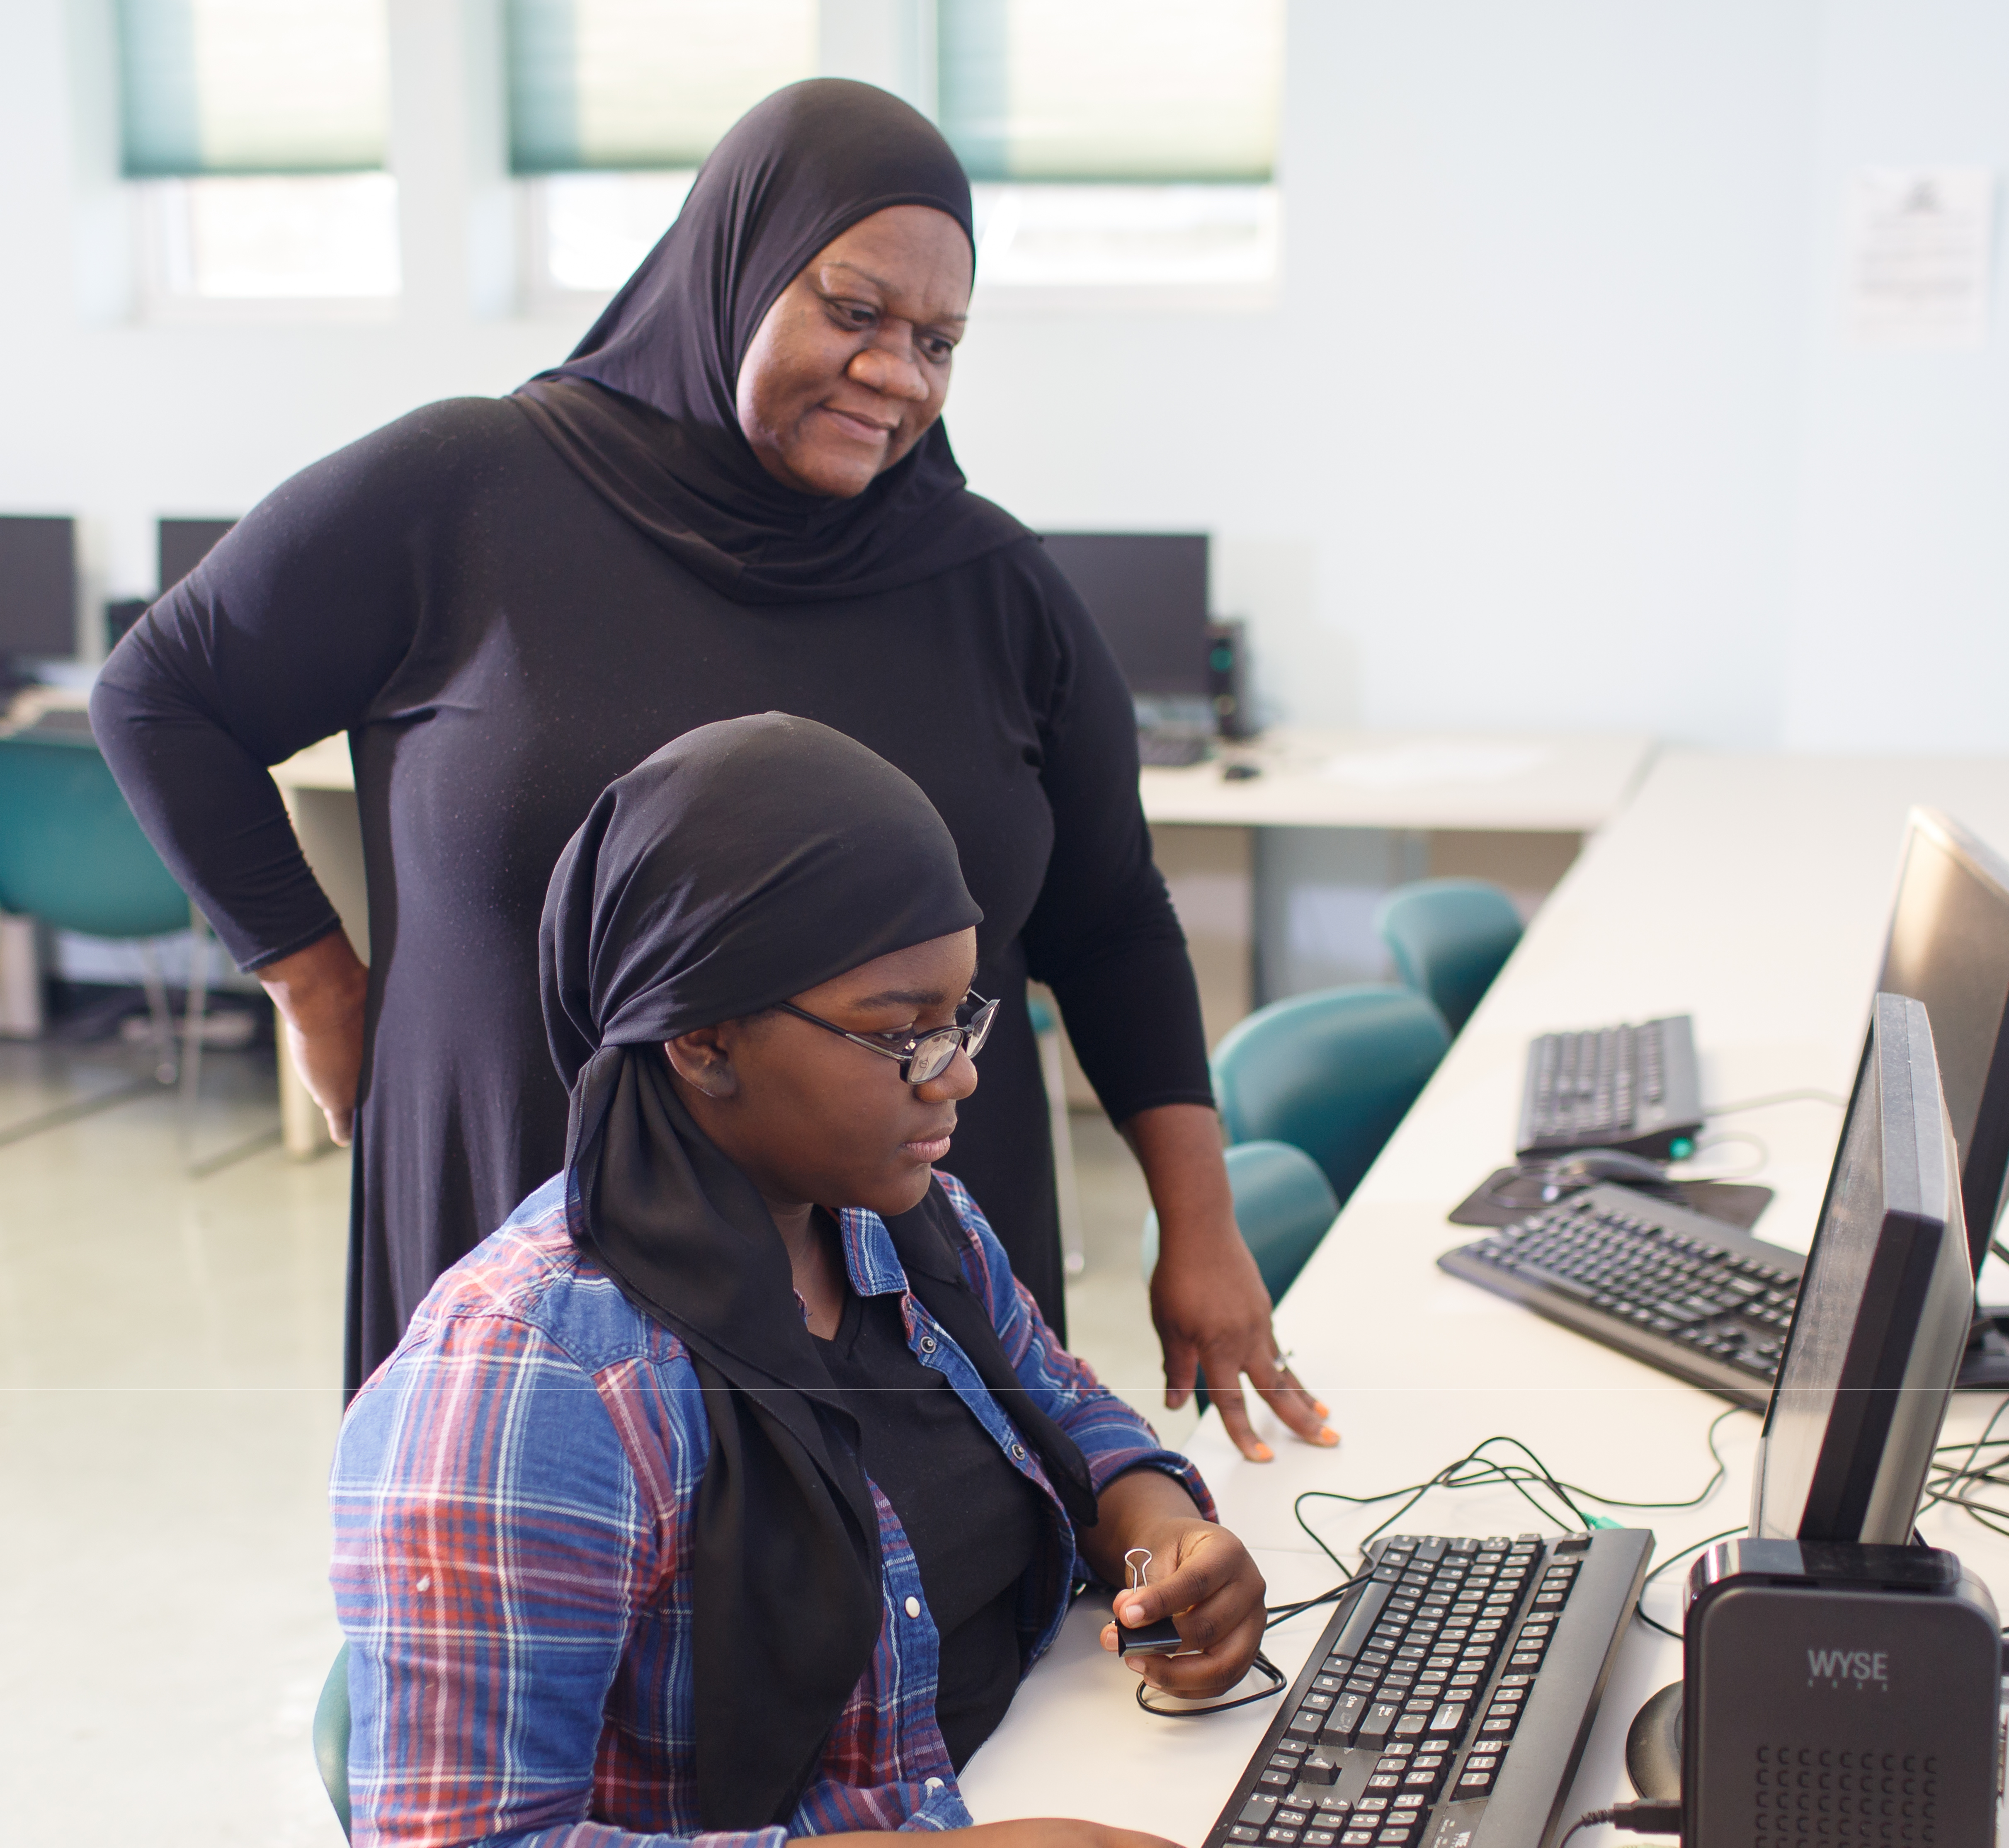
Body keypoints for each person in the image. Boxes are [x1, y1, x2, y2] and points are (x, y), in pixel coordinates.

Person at [91, 79, 1331, 1460]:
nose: (897, 375)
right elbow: (162, 696)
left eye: (939, 341)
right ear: (732, 270)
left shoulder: (990, 586)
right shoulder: (471, 493)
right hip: (546, 1257)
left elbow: (1112, 919)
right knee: (556, 1634)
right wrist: (316, 984)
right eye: (852, 313)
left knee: (955, 1645)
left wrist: (1201, 1232)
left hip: (904, 1286)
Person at [330, 717, 1270, 1848]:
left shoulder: (896, 1219)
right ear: (704, 1043)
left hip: (1005, 1840)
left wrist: (1157, 1528)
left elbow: (1063, 1406)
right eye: (901, 1034)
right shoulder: (532, 1386)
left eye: (963, 1016)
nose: (961, 1074)